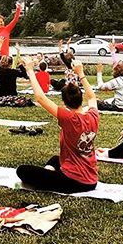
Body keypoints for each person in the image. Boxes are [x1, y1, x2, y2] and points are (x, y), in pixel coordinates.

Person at [16, 57, 99, 193]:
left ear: (64, 102)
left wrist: (30, 71)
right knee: (55, 160)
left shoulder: (69, 118)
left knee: (22, 170)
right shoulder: (93, 116)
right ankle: (49, 174)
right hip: (92, 180)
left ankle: (49, 177)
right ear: (80, 98)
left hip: (75, 182)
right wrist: (81, 73)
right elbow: (92, 97)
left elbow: (40, 98)